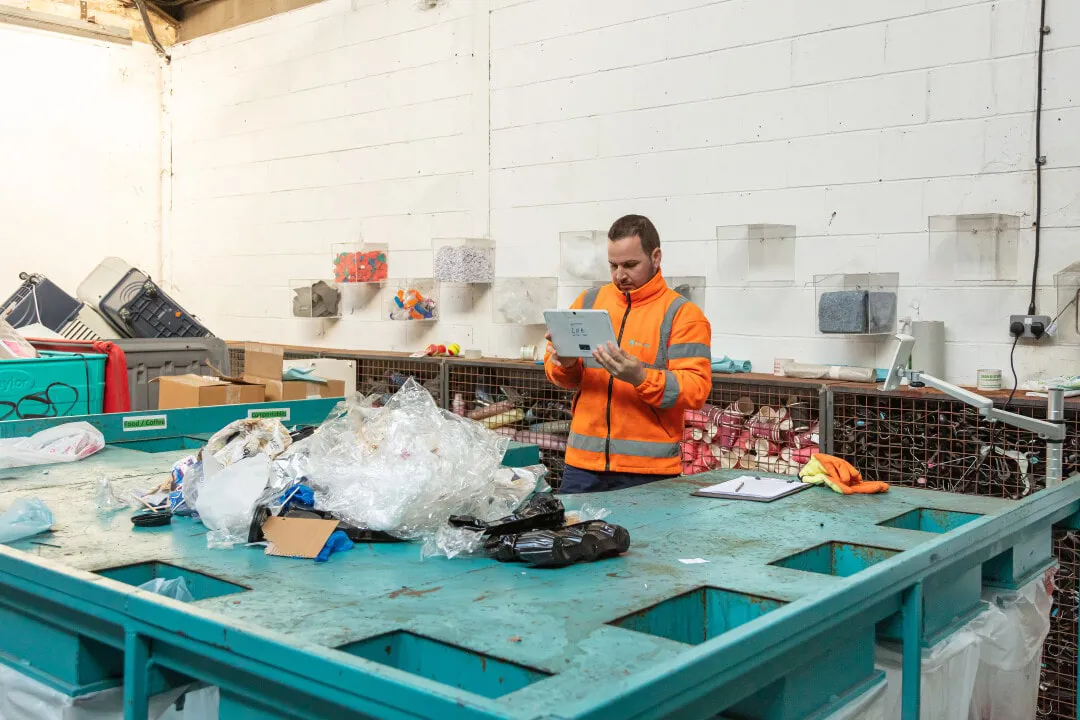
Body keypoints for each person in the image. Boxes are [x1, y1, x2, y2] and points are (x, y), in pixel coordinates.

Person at [544, 214, 712, 493]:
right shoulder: (588, 302)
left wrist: (641, 377)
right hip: (582, 467)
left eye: (630, 265)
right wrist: (566, 364)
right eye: (613, 265)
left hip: (647, 472)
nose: (620, 275)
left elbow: (695, 389)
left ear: (656, 257)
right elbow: (562, 375)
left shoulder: (682, 315)